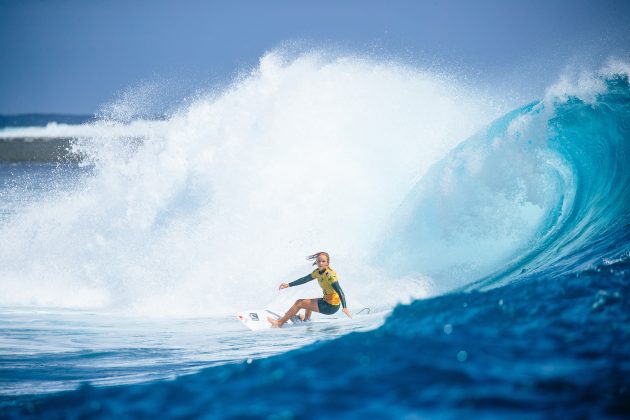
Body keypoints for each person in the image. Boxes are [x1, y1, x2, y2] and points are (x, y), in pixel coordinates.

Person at [268, 251, 351, 328]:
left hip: (331, 306)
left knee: (299, 303)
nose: (320, 263)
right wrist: (289, 285)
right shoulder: (317, 272)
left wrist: (345, 307)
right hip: (326, 301)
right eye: (319, 261)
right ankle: (306, 320)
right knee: (307, 302)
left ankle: (279, 323)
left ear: (328, 263)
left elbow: (340, 291)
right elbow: (304, 279)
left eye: (323, 261)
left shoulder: (330, 275)